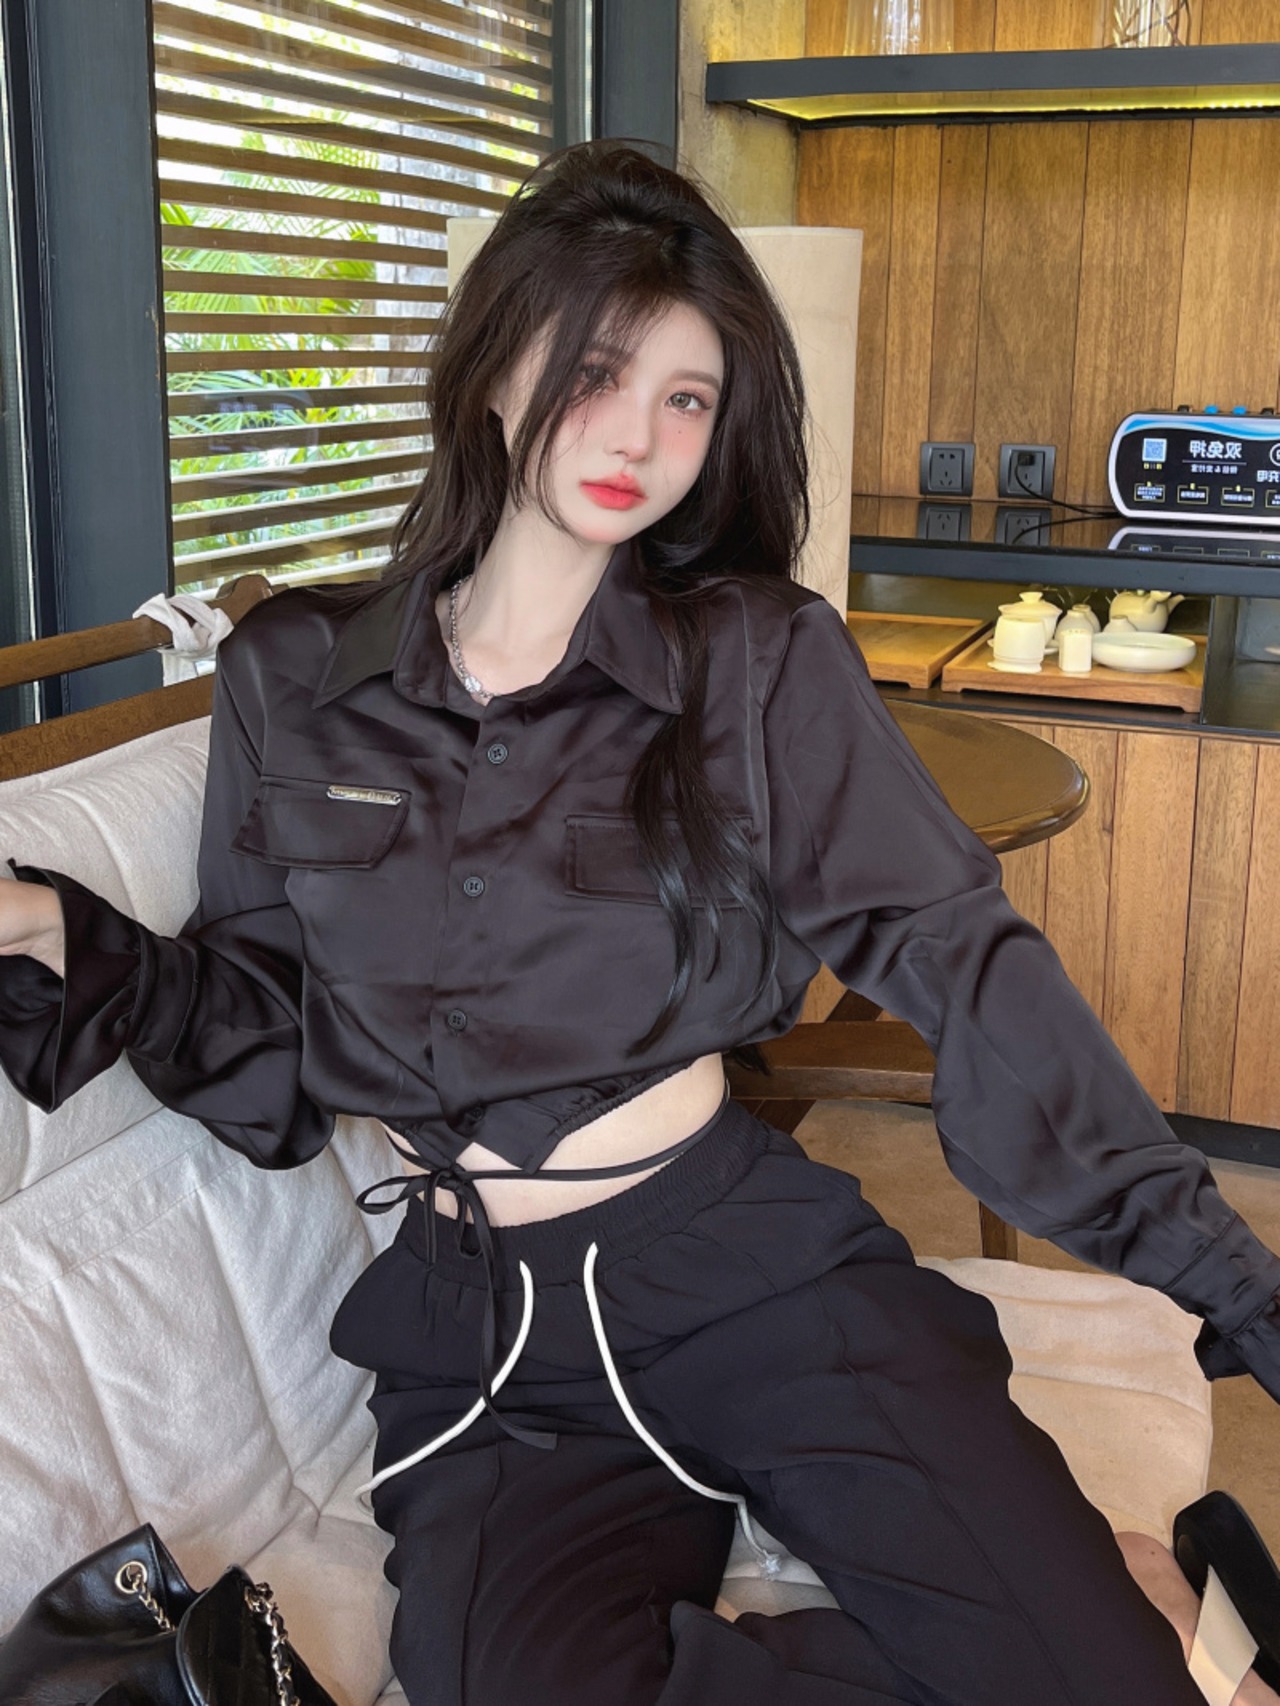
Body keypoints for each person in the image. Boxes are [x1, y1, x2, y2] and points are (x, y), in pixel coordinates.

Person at [1, 138, 1278, 1706]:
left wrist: (1236, 1279)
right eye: (595, 371)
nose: (638, 436)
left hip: (753, 1265)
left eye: (686, 397)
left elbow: (968, 966)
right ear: (493, 369)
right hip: (483, 1339)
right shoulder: (295, 674)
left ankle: (1106, 1611)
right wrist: (61, 938)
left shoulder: (758, 660)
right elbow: (275, 1052)